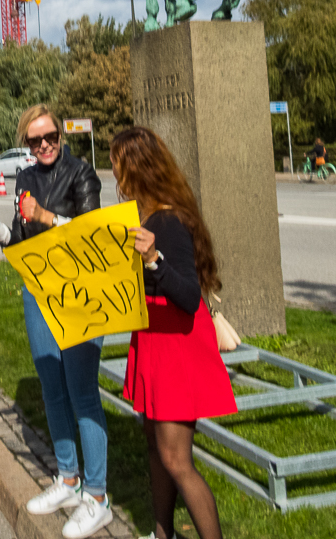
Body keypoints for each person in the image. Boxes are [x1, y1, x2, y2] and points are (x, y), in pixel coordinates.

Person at [0, 104, 111, 539]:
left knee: (82, 391)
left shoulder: (82, 174)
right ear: (25, 142)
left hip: (79, 293)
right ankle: (68, 479)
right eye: (34, 140)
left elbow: (91, 236)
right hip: (37, 290)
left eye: (50, 138)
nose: (43, 145)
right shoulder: (25, 178)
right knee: (52, 387)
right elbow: (19, 240)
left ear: (61, 137)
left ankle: (98, 496)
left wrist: (47, 217)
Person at [111, 127, 236, 539]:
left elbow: (189, 296)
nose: (112, 170)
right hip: (154, 339)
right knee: (155, 447)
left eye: (117, 162)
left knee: (177, 459)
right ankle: (161, 533)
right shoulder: (147, 216)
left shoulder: (168, 221)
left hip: (175, 345)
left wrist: (152, 260)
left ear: (136, 169)